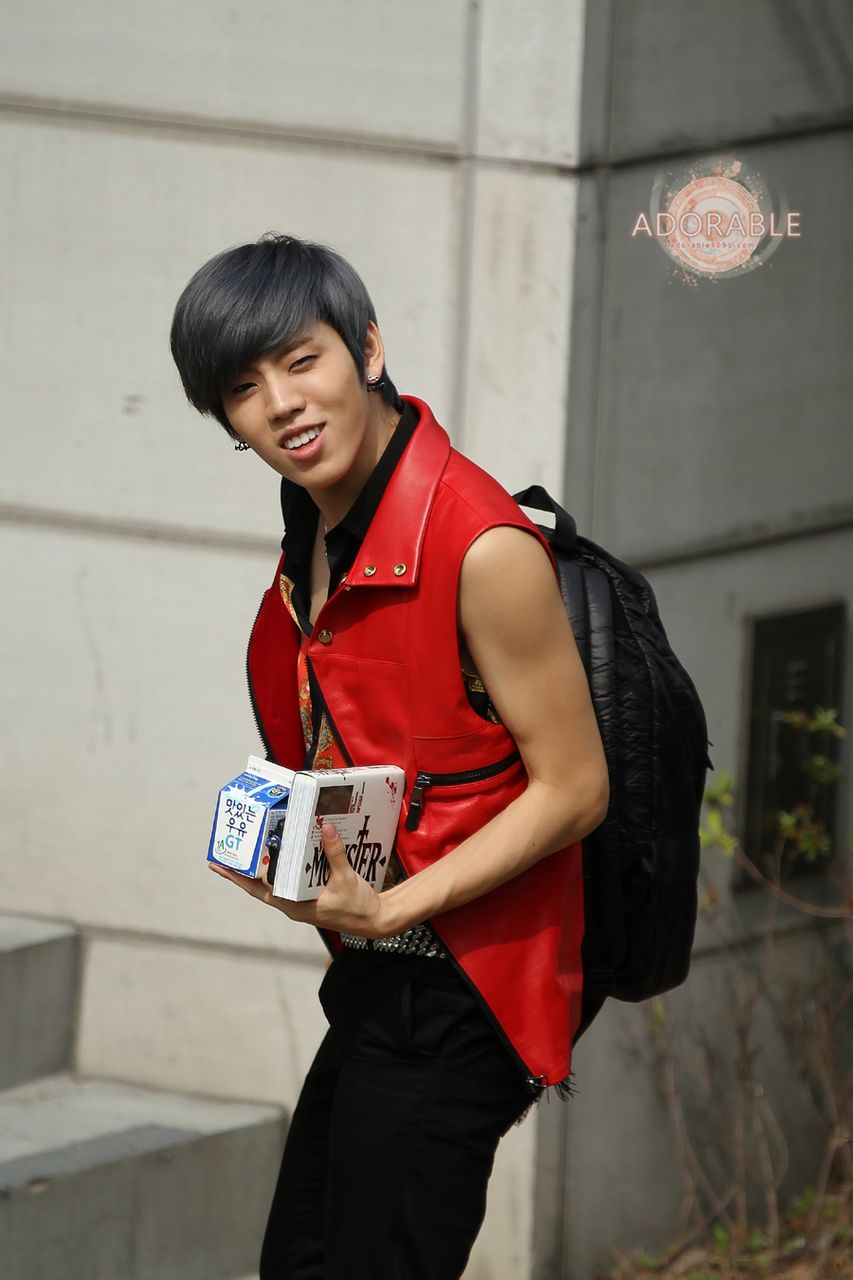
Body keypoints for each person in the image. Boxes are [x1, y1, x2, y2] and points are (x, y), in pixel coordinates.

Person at [170, 233, 609, 1279]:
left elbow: (575, 786)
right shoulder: (321, 527)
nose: (281, 404)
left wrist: (394, 907)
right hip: (382, 976)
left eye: (301, 360)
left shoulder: (480, 546)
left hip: (467, 985)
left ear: (367, 348)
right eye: (243, 387)